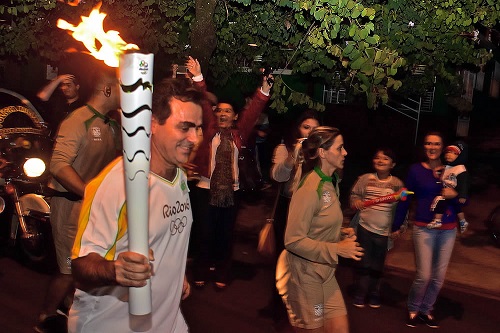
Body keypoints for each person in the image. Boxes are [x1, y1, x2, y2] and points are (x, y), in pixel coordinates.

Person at [68, 78, 204, 332]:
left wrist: (173, 274)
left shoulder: (180, 178)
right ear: (152, 124)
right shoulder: (117, 182)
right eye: (184, 127)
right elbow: (81, 265)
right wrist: (114, 270)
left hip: (166, 321)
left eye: (198, 127)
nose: (195, 138)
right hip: (112, 325)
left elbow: (165, 240)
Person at [34, 68, 121, 333]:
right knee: (68, 269)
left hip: (93, 209)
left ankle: (73, 306)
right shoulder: (78, 120)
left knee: (90, 266)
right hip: (70, 206)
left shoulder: (114, 124)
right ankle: (46, 316)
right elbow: (59, 165)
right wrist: (90, 193)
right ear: (107, 90)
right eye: (122, 88)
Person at [187, 56, 273, 289]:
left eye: (228, 111)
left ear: (235, 117)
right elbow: (204, 101)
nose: (223, 114)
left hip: (231, 193)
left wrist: (264, 89)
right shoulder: (209, 132)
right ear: (214, 115)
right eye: (220, 111)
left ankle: (222, 271)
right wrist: (198, 76)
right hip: (205, 190)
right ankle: (202, 269)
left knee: (225, 235)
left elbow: (254, 109)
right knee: (204, 233)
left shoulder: (240, 133)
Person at [276, 126, 364, 333]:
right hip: (304, 276)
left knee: (340, 329)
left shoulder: (331, 182)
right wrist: (338, 249)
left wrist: (340, 232)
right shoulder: (309, 188)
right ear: (323, 153)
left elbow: (319, 221)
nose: (345, 153)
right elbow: (293, 240)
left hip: (325, 272)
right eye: (340, 148)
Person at [392, 131, 459, 329]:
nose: (432, 147)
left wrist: (455, 194)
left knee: (439, 277)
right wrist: (397, 224)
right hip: (423, 228)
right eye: (428, 143)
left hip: (448, 228)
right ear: (424, 147)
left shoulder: (453, 170)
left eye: (436, 144)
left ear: (443, 147)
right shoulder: (415, 170)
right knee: (424, 275)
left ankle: (426, 310)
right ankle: (413, 307)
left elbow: (464, 199)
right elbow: (406, 198)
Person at [259, 109, 320, 319]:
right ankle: (278, 303)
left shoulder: (323, 152)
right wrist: (293, 157)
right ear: (298, 129)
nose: (310, 132)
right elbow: (277, 177)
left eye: (315, 129)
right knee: (284, 259)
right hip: (288, 208)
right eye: (306, 127)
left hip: (311, 211)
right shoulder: (285, 147)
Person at [349, 148, 404, 308]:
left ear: (392, 164)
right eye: (377, 157)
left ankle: (374, 293)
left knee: (378, 265)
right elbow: (354, 195)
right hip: (364, 228)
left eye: (385, 159)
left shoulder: (397, 184)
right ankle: (361, 292)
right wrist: (356, 201)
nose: (380, 161)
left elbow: (402, 210)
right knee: (364, 263)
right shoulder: (365, 179)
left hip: (383, 232)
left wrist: (399, 228)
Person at [428, 141, 469, 233]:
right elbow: (443, 173)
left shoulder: (460, 168)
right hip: (448, 191)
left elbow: (464, 183)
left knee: (440, 201)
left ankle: (438, 220)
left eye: (453, 153)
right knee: (456, 207)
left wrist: (462, 195)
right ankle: (462, 221)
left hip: (453, 191)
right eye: (447, 152)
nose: (449, 155)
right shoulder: (447, 167)